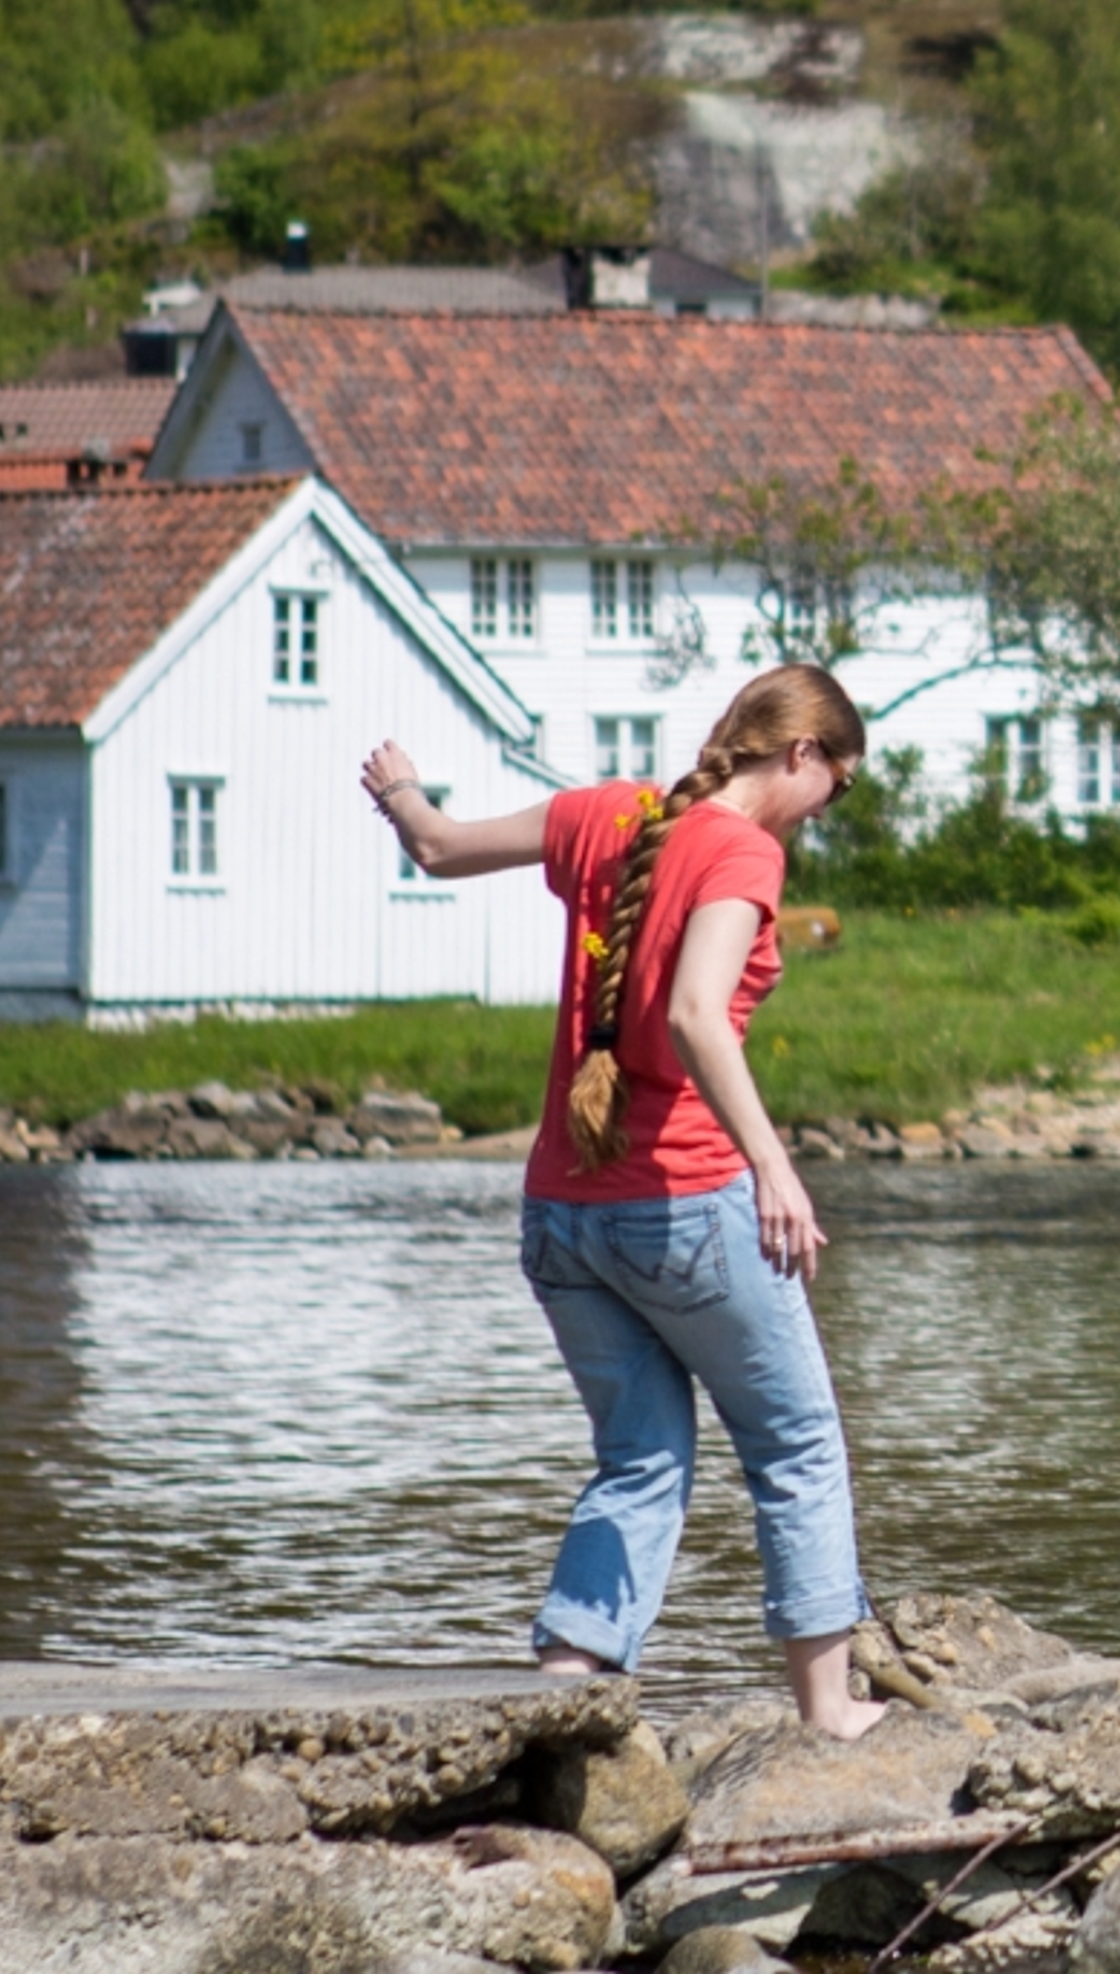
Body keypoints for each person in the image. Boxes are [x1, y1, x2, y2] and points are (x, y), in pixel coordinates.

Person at [361, 663, 884, 1739]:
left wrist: (400, 790)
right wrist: (776, 1168)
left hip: (561, 1214)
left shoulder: (611, 814)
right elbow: (697, 1013)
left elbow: (439, 847)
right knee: (795, 1445)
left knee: (642, 1455)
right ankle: (832, 1713)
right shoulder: (744, 851)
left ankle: (565, 1690)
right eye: (836, 783)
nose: (829, 807)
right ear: (800, 754)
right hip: (683, 1205)